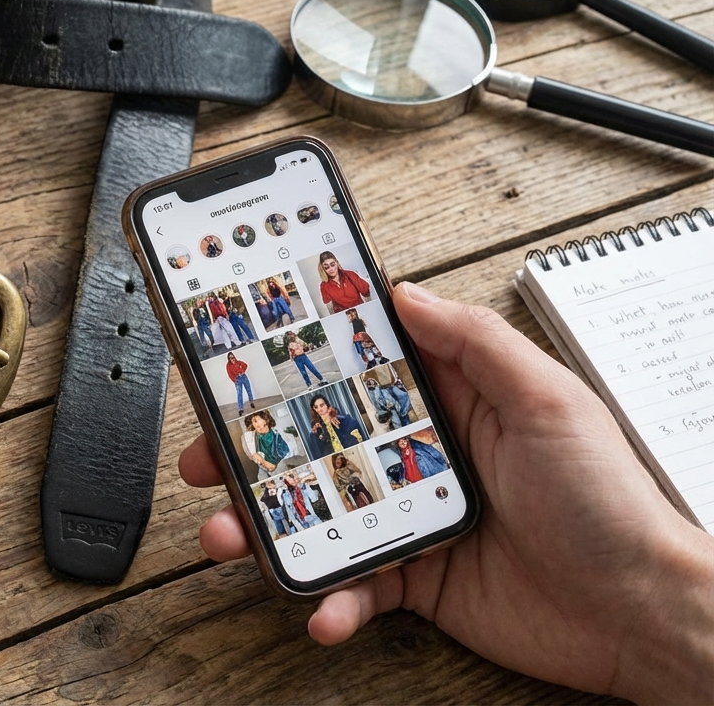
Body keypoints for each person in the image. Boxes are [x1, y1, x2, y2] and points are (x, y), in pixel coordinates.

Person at [176, 282, 714, 701]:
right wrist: (646, 614)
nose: (319, 408)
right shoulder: (315, 431)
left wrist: (646, 603)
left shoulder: (360, 408)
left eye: (320, 404)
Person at [245, 411, 302, 481]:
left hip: (277, 463)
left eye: (264, 425)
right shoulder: (255, 437)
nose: (262, 428)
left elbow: (282, 451)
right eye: (258, 427)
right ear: (253, 426)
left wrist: (265, 462)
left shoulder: (276, 435)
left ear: (267, 422)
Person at [308, 393, 365, 457]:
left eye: (322, 405)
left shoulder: (343, 420)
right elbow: (318, 454)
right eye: (316, 407)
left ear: (327, 404)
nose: (319, 409)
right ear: (314, 409)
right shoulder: (316, 431)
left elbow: (357, 434)